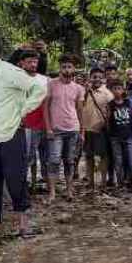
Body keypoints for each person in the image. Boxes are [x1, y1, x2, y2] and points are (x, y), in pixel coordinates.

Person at [0, 33, 47, 235]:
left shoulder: (9, 71)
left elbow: (38, 89)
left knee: (16, 178)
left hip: (10, 133)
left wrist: (21, 110)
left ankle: (23, 224)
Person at [44, 54, 85, 201]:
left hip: (73, 128)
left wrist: (82, 130)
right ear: (59, 68)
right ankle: (52, 192)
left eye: (69, 66)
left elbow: (80, 110)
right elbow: (46, 107)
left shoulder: (79, 88)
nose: (66, 69)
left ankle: (69, 191)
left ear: (74, 68)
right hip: (56, 130)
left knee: (69, 160)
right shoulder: (51, 84)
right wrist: (48, 128)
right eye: (64, 66)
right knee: (54, 160)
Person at [16, 51, 50, 195]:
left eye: (35, 61)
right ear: (22, 63)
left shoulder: (45, 80)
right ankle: (28, 184)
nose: (33, 64)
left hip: (45, 122)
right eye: (30, 61)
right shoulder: (17, 80)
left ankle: (47, 184)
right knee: (28, 156)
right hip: (27, 123)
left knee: (46, 156)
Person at [78, 66, 114, 191]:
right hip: (86, 128)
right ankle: (90, 181)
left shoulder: (108, 94)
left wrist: (105, 124)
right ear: (90, 78)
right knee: (89, 155)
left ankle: (103, 181)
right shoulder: (84, 91)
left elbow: (111, 111)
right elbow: (80, 106)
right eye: (94, 77)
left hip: (101, 128)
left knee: (103, 155)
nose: (97, 79)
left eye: (99, 77)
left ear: (103, 79)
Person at [107, 80, 132, 188]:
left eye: (119, 88)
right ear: (111, 90)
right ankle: (120, 182)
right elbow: (107, 120)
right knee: (118, 160)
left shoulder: (128, 102)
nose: (117, 91)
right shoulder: (110, 104)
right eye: (114, 89)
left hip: (128, 135)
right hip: (115, 137)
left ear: (123, 90)